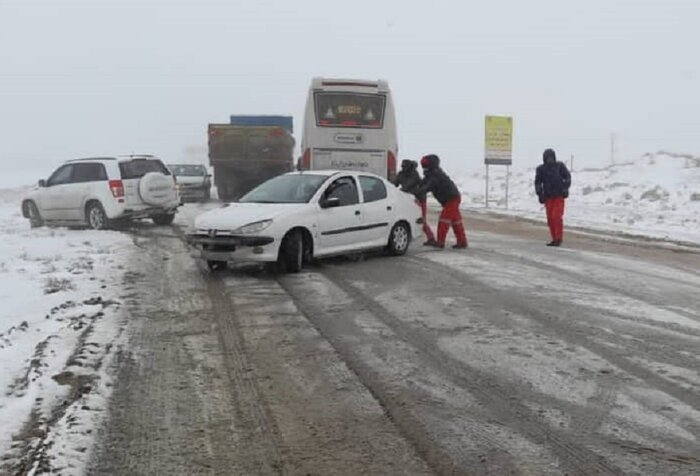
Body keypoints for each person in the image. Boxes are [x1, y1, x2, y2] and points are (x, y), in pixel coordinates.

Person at [415, 154, 468, 249]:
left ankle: (440, 242)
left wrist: (417, 192)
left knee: (444, 220)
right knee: (456, 222)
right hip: (451, 198)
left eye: (425, 165)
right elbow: (423, 184)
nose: (424, 167)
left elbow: (427, 186)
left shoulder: (436, 175)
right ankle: (462, 242)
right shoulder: (432, 174)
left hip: (451, 199)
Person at [392, 160, 435, 244]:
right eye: (402, 166)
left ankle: (431, 238)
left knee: (421, 219)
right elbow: (394, 183)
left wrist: (399, 192)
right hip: (408, 199)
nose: (403, 168)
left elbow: (408, 186)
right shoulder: (401, 174)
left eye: (405, 166)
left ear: (409, 166)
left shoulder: (414, 174)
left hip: (419, 199)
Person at [534, 148, 571, 247]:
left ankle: (558, 238)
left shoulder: (560, 166)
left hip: (558, 196)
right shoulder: (540, 169)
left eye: (551, 157)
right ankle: (554, 238)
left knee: (556, 216)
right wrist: (540, 194)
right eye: (547, 158)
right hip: (548, 197)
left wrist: (565, 187)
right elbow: (538, 182)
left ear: (554, 157)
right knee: (550, 219)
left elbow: (567, 177)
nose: (549, 159)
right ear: (544, 158)